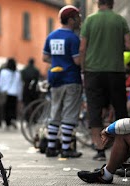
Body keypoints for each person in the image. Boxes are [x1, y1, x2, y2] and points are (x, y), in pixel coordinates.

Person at [79, 0, 130, 161]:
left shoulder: (89, 20)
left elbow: (82, 48)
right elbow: (129, 45)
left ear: (98, 3)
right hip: (115, 71)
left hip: (93, 72)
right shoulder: (120, 20)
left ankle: (100, 150)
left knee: (94, 110)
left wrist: (83, 68)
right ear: (112, 3)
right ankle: (125, 150)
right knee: (120, 110)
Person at [42, 5, 83, 158]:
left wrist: (58, 60)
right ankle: (66, 148)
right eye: (78, 17)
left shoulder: (51, 36)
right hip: (71, 77)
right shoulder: (73, 38)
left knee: (55, 112)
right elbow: (77, 60)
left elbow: (45, 57)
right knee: (69, 113)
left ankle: (51, 147)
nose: (80, 20)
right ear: (71, 20)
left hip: (54, 78)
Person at [0, 58, 22, 130]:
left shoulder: (3, 72)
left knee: (6, 108)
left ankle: (8, 123)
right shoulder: (17, 73)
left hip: (5, 93)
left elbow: (0, 83)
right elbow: (19, 85)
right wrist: (20, 96)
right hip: (15, 93)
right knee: (13, 108)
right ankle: (13, 118)